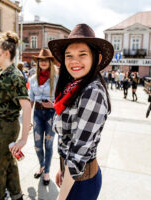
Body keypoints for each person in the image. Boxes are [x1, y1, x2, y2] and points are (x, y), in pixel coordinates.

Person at [48, 23, 113, 200]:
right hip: (72, 174)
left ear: (97, 59)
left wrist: (61, 197)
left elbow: (78, 152)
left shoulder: (92, 92)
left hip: (82, 182)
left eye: (82, 54)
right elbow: (67, 140)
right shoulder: (73, 87)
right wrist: (62, 168)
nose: (74, 61)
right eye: (69, 56)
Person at [0, 31, 32, 200]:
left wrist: (23, 139)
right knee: (9, 165)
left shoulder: (13, 75)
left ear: (6, 53)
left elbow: (26, 106)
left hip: (3, 129)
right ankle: (17, 196)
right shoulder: (2, 72)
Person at [29, 49, 58, 186]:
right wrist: (27, 119)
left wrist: (54, 104)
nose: (43, 62)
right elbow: (30, 100)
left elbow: (63, 97)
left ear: (50, 62)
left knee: (48, 144)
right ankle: (41, 165)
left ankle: (46, 171)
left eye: (46, 60)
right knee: (37, 144)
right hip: (37, 114)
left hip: (51, 114)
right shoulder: (33, 79)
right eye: (41, 60)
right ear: (38, 62)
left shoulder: (57, 78)